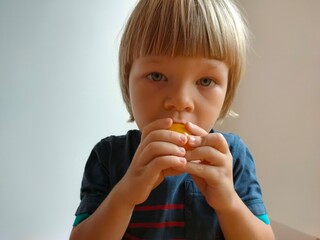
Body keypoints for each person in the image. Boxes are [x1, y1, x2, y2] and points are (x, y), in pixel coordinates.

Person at [70, 0, 275, 239]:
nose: (180, 101)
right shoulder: (108, 156)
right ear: (128, 82)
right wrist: (125, 195)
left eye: (205, 81)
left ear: (227, 92)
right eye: (157, 76)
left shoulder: (233, 157)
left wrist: (228, 202)